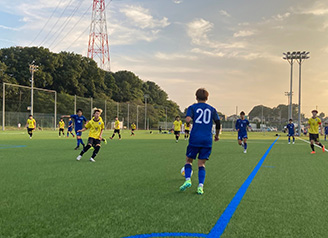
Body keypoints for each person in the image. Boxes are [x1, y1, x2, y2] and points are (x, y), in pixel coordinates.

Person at [179, 88, 220, 195]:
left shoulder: (192, 107)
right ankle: (200, 186)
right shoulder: (212, 109)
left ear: (196, 97)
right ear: (207, 98)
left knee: (189, 160)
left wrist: (188, 123)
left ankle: (188, 179)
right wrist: (216, 135)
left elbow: (188, 120)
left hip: (195, 138)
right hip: (207, 139)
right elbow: (218, 122)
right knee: (201, 164)